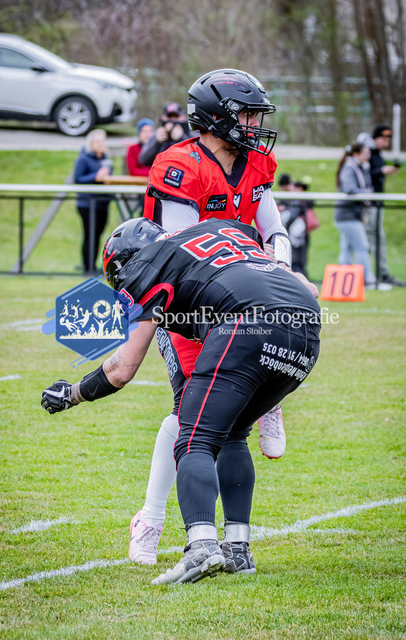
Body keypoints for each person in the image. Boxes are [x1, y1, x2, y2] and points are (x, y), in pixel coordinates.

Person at [42, 216, 321, 585]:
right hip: (307, 326)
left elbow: (122, 368)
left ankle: (201, 547)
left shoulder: (148, 266)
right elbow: (279, 262)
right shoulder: (222, 228)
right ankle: (237, 549)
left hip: (248, 322)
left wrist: (74, 393)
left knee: (193, 437)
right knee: (234, 431)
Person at [128, 68, 295, 566]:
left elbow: (275, 229)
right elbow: (185, 254)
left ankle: (171, 522)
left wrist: (280, 271)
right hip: (185, 300)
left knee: (212, 418)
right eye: (246, 115)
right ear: (216, 118)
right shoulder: (179, 165)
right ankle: (151, 519)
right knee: (191, 416)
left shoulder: (255, 162)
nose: (254, 125)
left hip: (240, 295)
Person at [334, 143, 391, 290]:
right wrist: (368, 193)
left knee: (347, 249)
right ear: (356, 154)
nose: (369, 155)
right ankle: (368, 282)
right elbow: (349, 189)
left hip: (350, 215)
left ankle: (342, 284)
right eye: (366, 152)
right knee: (362, 247)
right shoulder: (350, 167)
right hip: (348, 215)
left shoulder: (359, 167)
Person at [356, 125, 405, 286]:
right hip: (369, 205)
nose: (386, 141)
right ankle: (370, 276)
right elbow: (365, 177)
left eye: (388, 138)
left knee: (377, 239)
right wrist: (381, 171)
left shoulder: (377, 155)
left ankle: (379, 274)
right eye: (383, 138)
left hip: (377, 203)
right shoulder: (367, 154)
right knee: (368, 240)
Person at [74, 129, 113, 274]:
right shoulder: (83, 159)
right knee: (89, 234)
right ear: (91, 143)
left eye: (103, 141)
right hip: (87, 204)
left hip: (103, 203)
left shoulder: (106, 160)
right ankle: (87, 266)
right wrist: (95, 176)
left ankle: (93, 265)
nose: (101, 144)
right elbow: (77, 179)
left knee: (97, 235)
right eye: (97, 141)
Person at [138, 102, 191, 167]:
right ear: (163, 117)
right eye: (169, 116)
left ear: (183, 117)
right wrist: (157, 142)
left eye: (176, 116)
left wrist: (181, 138)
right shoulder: (157, 134)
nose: (172, 120)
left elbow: (196, 157)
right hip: (160, 171)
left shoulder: (190, 134)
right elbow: (143, 160)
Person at [276, 174, 309, 277]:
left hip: (297, 232)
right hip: (293, 231)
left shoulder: (295, 197)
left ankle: (299, 275)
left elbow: (294, 213)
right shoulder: (288, 197)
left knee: (298, 256)